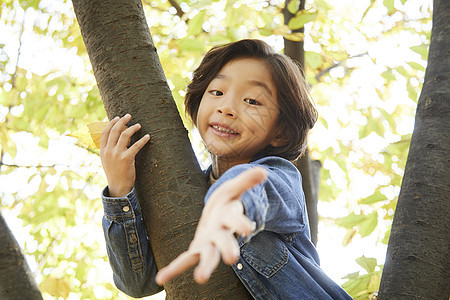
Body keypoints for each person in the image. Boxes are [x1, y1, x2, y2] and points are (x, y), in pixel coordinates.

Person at [100, 39, 352, 299]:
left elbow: (263, 190)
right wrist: (120, 190)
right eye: (217, 92)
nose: (227, 107)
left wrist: (231, 200)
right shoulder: (186, 200)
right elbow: (137, 283)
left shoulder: (280, 177)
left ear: (281, 132)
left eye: (252, 101)